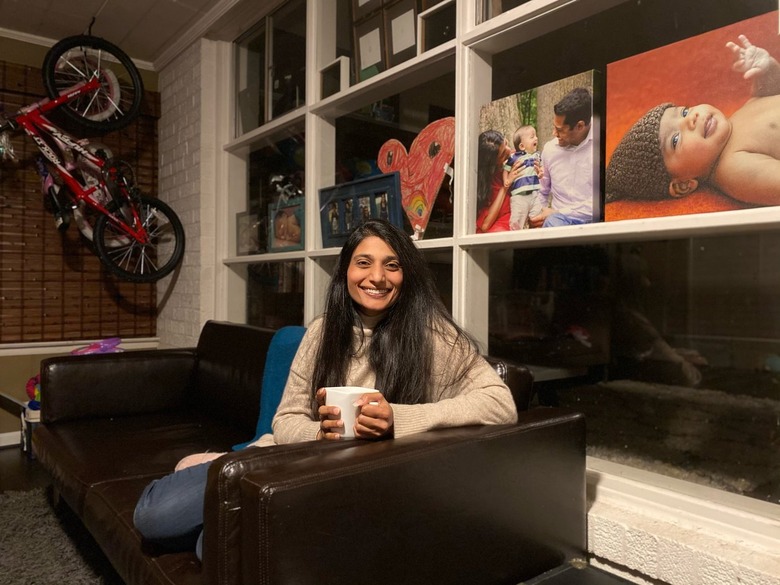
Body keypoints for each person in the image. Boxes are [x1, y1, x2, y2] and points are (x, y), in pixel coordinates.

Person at [133, 219, 518, 559]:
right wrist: (319, 432)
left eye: (392, 265)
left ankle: (205, 484)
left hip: (344, 484)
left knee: (214, 545)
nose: (377, 278)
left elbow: (501, 403)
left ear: (407, 274)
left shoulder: (432, 334)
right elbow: (285, 419)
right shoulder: (323, 330)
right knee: (153, 516)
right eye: (363, 263)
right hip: (283, 459)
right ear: (346, 270)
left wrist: (397, 418)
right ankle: (200, 477)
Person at [606, 35, 780, 206]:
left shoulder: (734, 119)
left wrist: (766, 70)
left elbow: (770, 93)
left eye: (684, 112)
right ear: (683, 185)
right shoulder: (734, 168)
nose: (691, 119)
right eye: (675, 140)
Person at [530, 87, 595, 228]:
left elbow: (598, 203)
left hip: (592, 221)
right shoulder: (550, 149)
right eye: (555, 127)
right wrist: (536, 215)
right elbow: (542, 191)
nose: (554, 133)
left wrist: (557, 212)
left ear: (580, 126)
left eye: (560, 130)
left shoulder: (602, 144)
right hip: (557, 223)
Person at [476, 130, 525, 233]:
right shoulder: (487, 183)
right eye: (503, 154)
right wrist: (505, 186)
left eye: (506, 143)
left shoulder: (515, 158)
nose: (508, 150)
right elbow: (485, 225)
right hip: (496, 232)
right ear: (493, 163)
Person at [504, 125, 543, 230]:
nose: (536, 138)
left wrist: (541, 172)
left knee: (537, 219)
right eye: (532, 137)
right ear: (522, 146)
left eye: (536, 136)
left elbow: (541, 168)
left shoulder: (537, 155)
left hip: (534, 194)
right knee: (517, 221)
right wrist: (506, 180)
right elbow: (506, 169)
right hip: (519, 195)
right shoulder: (514, 157)